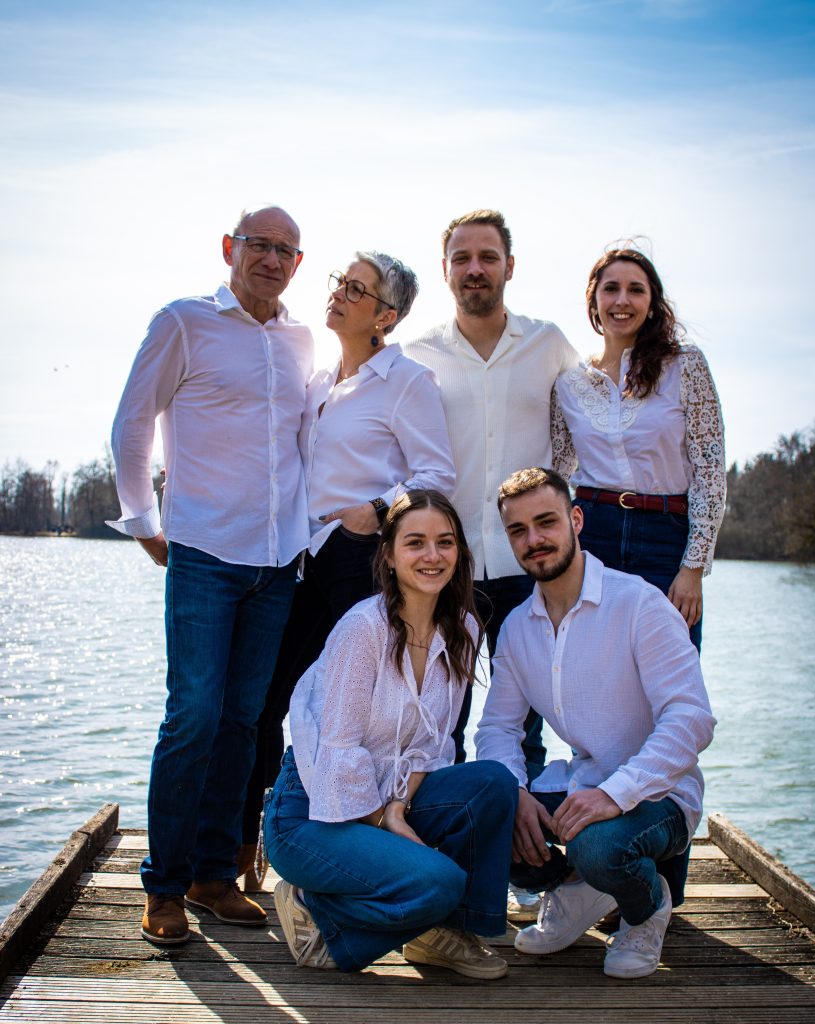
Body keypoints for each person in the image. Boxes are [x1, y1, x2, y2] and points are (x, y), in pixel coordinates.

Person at [107, 205, 313, 946]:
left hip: (278, 561)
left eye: (287, 249)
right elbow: (133, 423)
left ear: (297, 262)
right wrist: (141, 522)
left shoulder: (299, 340)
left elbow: (304, 442)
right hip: (202, 553)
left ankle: (213, 874)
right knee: (192, 715)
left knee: (243, 721)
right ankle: (162, 884)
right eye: (260, 244)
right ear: (230, 248)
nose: (272, 258)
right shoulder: (184, 322)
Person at [239, 253, 455, 885]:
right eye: (340, 282)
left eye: (356, 290)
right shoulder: (319, 380)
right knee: (270, 703)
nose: (338, 294)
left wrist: (379, 510)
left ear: (384, 316)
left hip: (360, 560)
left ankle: (370, 849)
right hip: (297, 561)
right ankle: (254, 847)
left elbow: (438, 473)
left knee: (352, 713)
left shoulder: (407, 381)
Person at [404, 208, 578, 921]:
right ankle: (443, 859)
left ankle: (524, 865)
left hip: (523, 560)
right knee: (437, 714)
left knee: (523, 716)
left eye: (487, 256)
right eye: (460, 258)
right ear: (445, 269)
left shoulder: (549, 346)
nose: (474, 269)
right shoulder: (416, 354)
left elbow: (577, 436)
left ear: (509, 265)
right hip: (442, 565)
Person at [264, 490, 518, 977]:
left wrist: (400, 806)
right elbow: (338, 749)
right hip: (313, 813)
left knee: (493, 784)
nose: (432, 556)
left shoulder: (463, 629)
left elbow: (435, 744)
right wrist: (386, 821)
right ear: (389, 553)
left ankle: (442, 934)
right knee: (437, 882)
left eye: (445, 543)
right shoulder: (363, 628)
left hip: (386, 797)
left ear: (460, 553)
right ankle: (318, 914)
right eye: (415, 542)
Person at [476, 467, 715, 979]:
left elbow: (691, 717)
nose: (534, 540)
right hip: (584, 784)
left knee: (598, 845)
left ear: (576, 520)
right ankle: (576, 890)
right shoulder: (518, 627)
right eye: (519, 530)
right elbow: (497, 729)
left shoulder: (639, 604)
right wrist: (514, 792)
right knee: (485, 811)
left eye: (546, 522)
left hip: (659, 796)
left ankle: (647, 908)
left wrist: (614, 794)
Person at [551, 246, 726, 651]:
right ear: (594, 299)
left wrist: (693, 569)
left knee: (672, 672)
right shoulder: (569, 383)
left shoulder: (687, 365)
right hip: (593, 535)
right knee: (596, 667)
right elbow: (558, 473)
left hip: (667, 535)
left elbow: (710, 473)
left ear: (652, 303)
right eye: (611, 289)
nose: (622, 300)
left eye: (636, 290)